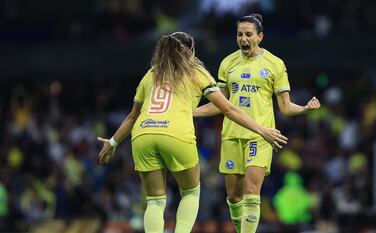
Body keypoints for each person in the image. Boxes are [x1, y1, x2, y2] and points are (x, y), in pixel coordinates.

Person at [97, 31, 288, 233]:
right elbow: (229, 109)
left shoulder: (152, 73)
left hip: (142, 134)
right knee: (190, 193)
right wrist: (261, 130)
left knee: (155, 201)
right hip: (176, 133)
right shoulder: (196, 72)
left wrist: (112, 143)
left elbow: (132, 116)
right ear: (190, 51)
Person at [193, 14, 321, 233]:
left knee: (252, 192)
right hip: (231, 135)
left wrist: (305, 108)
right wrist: (189, 112)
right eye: (239, 34)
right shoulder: (227, 63)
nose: (243, 38)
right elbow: (220, 104)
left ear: (260, 37)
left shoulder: (275, 64)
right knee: (234, 196)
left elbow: (285, 106)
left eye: (248, 34)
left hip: (261, 135)